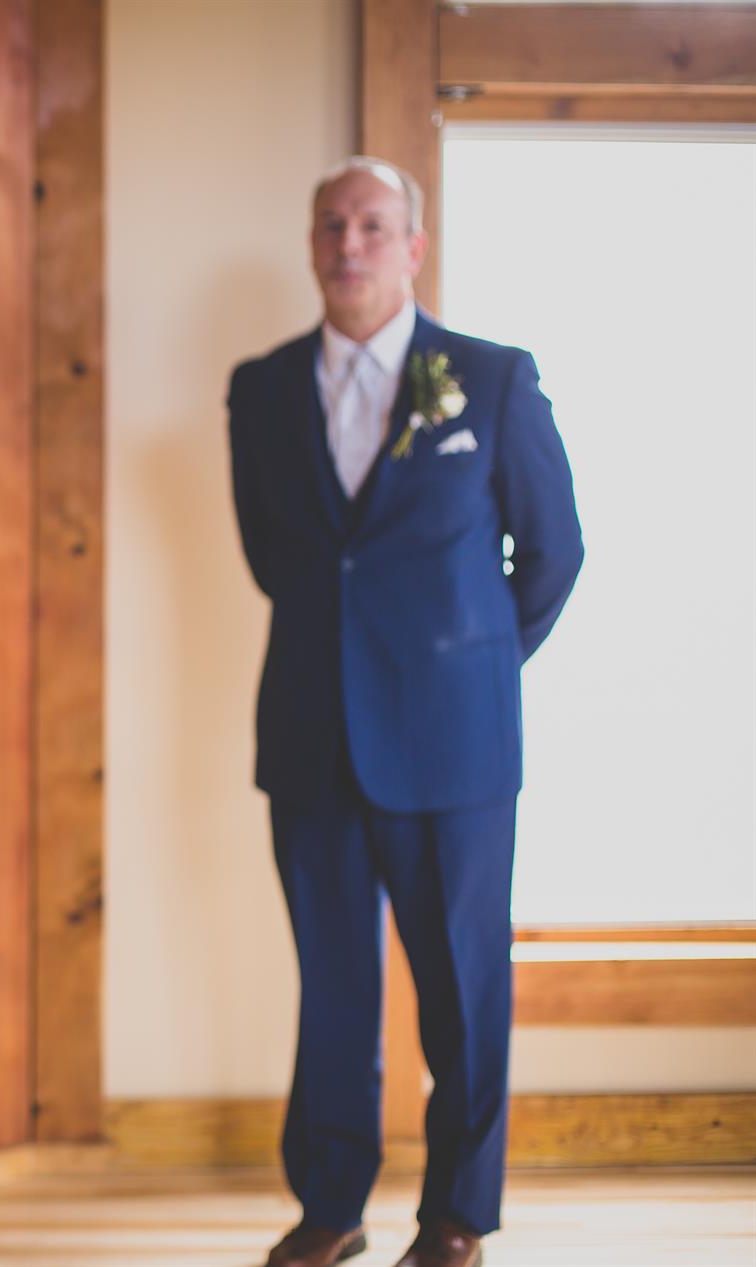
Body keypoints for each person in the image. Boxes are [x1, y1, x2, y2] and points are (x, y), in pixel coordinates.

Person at [227, 157, 583, 1267]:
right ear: (311, 244)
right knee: (333, 987)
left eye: (373, 225)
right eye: (330, 224)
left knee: (463, 988)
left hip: (453, 745)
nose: (350, 243)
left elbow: (554, 552)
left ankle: (457, 1214)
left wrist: (474, 667)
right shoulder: (260, 387)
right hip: (310, 736)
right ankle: (330, 1206)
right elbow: (274, 556)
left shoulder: (491, 378)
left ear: (413, 248)